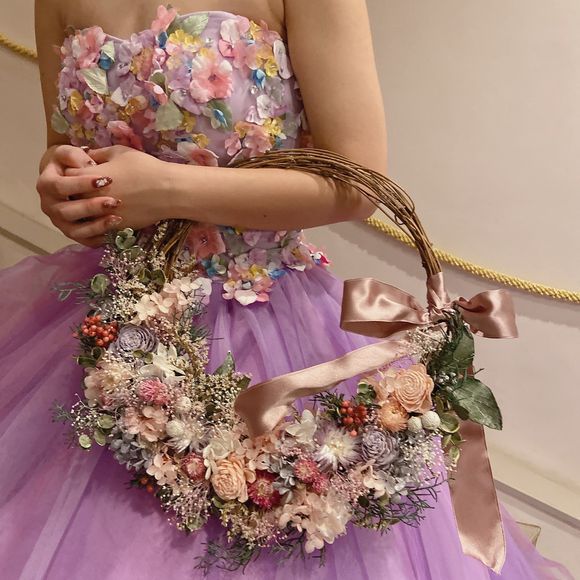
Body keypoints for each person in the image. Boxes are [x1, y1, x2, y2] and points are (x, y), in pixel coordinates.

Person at [0, 1, 573, 578]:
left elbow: (358, 182)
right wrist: (63, 185)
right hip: (104, 319)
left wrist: (167, 189)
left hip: (259, 320)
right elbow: (63, 150)